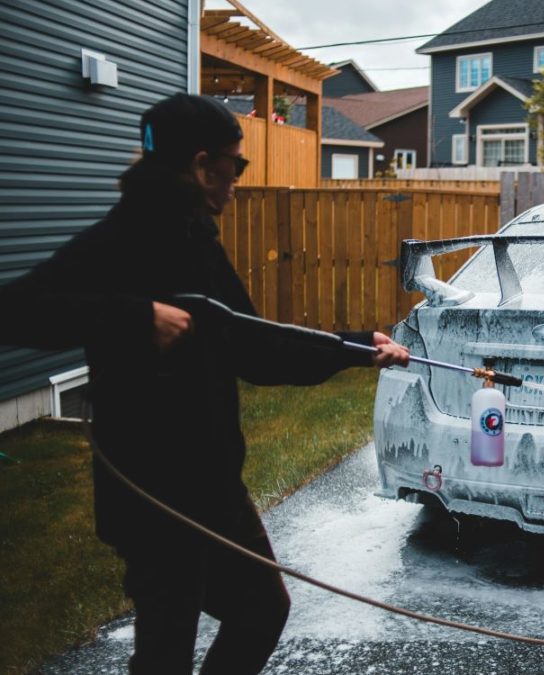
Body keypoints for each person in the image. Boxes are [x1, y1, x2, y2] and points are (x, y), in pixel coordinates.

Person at [0, 93, 409, 674]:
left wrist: (354, 347)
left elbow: (253, 347)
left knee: (262, 609)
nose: (238, 181)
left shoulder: (195, 239)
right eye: (235, 166)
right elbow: (15, 310)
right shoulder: (118, 240)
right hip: (151, 493)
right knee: (167, 647)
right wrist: (134, 316)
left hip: (212, 486)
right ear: (199, 165)